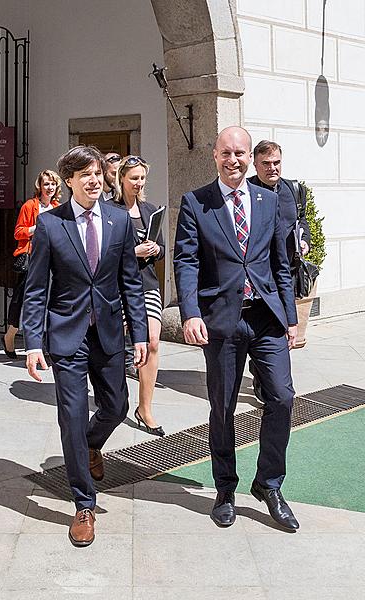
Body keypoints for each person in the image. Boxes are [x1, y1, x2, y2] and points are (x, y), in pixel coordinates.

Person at [174, 126, 300, 531]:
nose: (234, 160)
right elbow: (186, 262)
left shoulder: (269, 199)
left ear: (250, 158)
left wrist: (291, 318)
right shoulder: (197, 202)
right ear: (214, 156)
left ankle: (268, 483)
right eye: (226, 153)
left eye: (241, 153)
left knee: (281, 396)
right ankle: (225, 487)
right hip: (222, 321)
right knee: (223, 406)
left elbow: (280, 263)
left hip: (265, 317)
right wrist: (191, 312)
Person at [22, 145, 148, 547]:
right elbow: (36, 288)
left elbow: (130, 281)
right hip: (67, 336)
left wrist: (141, 335)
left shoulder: (118, 220)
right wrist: (32, 341)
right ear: (70, 181)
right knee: (72, 416)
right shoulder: (50, 225)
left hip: (109, 332)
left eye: (98, 173)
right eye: (85, 175)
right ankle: (84, 504)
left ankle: (91, 446)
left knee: (116, 406)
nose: (94, 180)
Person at [248, 140, 311, 402]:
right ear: (255, 163)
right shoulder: (247, 189)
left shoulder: (294, 190)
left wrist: (304, 239)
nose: (272, 168)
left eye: (276, 162)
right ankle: (265, 376)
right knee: (271, 329)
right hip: (261, 275)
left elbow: (302, 220)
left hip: (287, 272)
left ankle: (266, 372)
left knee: (286, 327)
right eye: (266, 163)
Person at [111, 155, 165, 436]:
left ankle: (145, 408)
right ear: (121, 178)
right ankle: (113, 401)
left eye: (142, 178)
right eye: (133, 178)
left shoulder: (151, 209)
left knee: (153, 341)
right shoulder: (108, 210)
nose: (138, 183)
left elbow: (163, 248)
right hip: (118, 286)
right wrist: (133, 252)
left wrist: (156, 250)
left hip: (147, 284)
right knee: (116, 346)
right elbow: (102, 254)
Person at [1, 170, 61, 359]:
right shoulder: (30, 206)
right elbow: (18, 233)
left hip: (52, 259)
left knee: (50, 300)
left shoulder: (58, 206)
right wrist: (38, 227)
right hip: (31, 258)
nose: (49, 188)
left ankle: (46, 345)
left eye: (52, 184)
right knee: (21, 300)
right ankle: (9, 336)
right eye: (46, 184)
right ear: (40, 186)